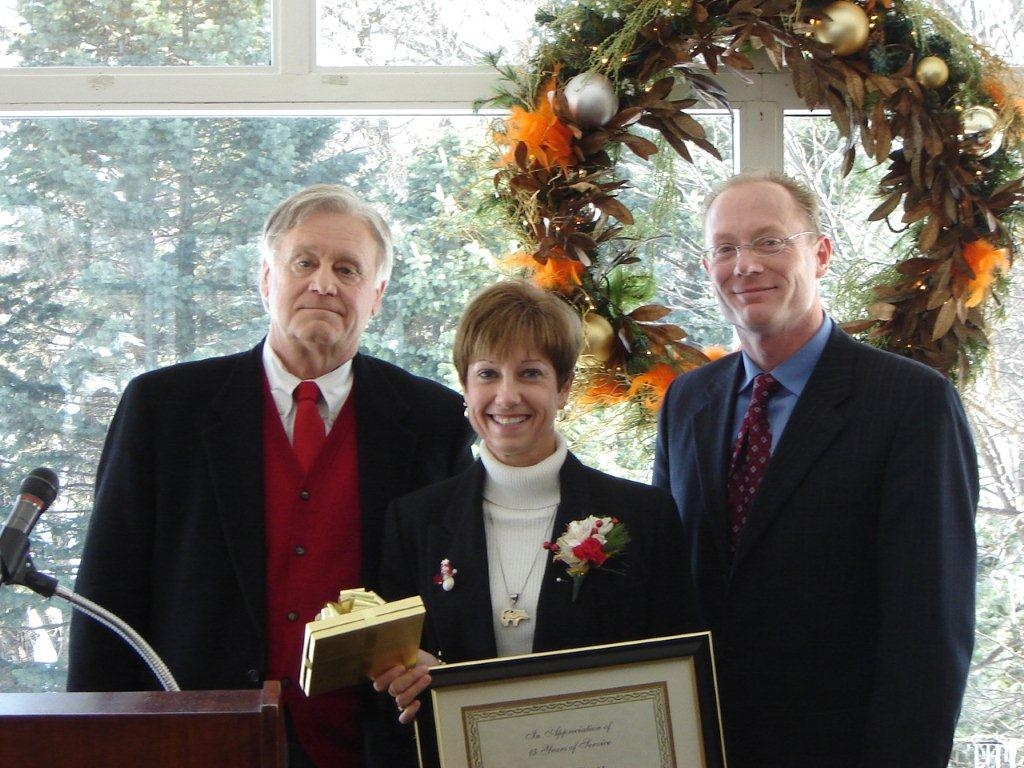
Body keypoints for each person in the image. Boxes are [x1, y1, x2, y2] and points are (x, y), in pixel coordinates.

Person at [66, 184, 475, 768]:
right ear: (265, 279)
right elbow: (107, 594)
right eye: (303, 263)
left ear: (377, 294)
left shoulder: (434, 420)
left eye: (347, 269)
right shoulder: (164, 408)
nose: (324, 284)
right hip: (198, 742)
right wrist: (93, 747)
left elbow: (453, 592)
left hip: (373, 745)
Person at [653, 170, 978, 768]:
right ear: (709, 269)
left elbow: (931, 632)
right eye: (725, 248)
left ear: (820, 253)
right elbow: (667, 590)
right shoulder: (687, 401)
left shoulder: (910, 404)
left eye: (769, 241)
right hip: (707, 748)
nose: (745, 264)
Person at [372, 280, 700, 764]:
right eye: (487, 374)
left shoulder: (644, 517)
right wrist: (403, 673)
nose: (507, 397)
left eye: (529, 373)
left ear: (563, 387)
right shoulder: (414, 521)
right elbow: (392, 684)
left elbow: (678, 680)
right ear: (464, 387)